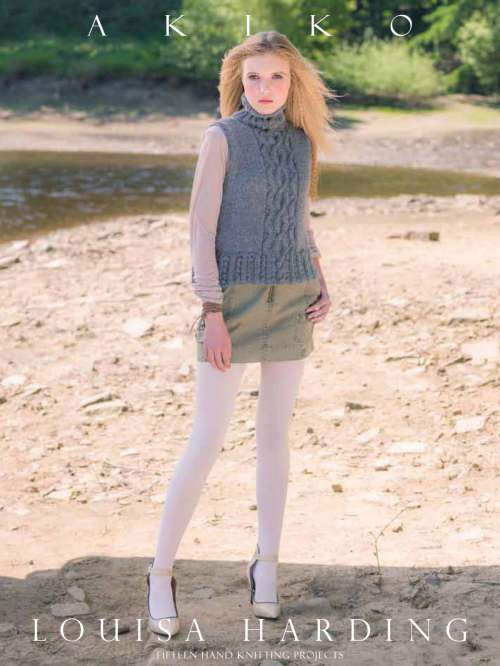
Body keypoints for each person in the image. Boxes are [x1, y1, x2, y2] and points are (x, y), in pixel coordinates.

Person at [146, 30, 335, 637]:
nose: (265, 88)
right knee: (207, 439)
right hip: (233, 304)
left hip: (294, 297)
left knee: (275, 438)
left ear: (292, 80)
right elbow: (201, 229)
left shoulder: (302, 141)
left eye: (276, 76)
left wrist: (321, 279)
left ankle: (266, 567)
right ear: (239, 82)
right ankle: (160, 572)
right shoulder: (221, 138)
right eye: (254, 77)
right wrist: (212, 311)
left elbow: (298, 221)